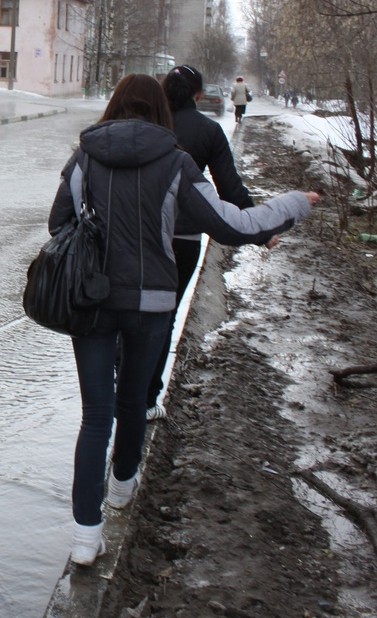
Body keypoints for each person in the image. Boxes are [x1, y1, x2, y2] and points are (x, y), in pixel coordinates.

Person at [49, 74, 319, 567]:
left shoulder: (83, 158)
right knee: (132, 402)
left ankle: (86, 538)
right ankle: (123, 488)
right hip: (151, 304)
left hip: (91, 304)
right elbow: (230, 224)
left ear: (113, 104)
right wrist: (292, 205)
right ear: (162, 112)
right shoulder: (177, 163)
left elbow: (58, 225)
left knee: (94, 415)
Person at [148, 66, 255, 421]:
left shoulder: (149, 124)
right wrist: (260, 223)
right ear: (197, 94)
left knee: (133, 306)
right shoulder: (209, 131)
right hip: (184, 238)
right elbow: (230, 189)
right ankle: (148, 398)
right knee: (166, 311)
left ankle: (125, 376)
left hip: (142, 232)